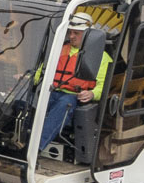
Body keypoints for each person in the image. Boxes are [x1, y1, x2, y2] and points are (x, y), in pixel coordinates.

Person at [34, 12, 111, 148]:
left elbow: (103, 85)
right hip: (50, 90)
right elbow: (41, 71)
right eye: (70, 32)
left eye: (76, 33)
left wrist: (92, 94)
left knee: (65, 103)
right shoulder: (58, 49)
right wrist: (30, 82)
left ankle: (35, 147)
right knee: (24, 101)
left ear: (88, 35)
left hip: (73, 97)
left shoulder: (101, 57)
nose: (71, 36)